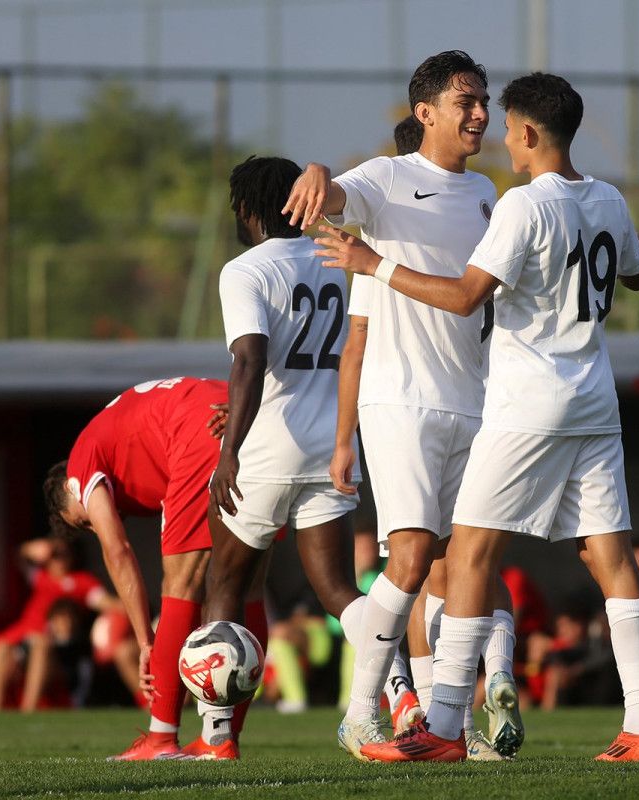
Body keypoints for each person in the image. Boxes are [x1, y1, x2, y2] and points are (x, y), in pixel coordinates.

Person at [315, 70, 639, 762]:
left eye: (505, 123)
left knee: (468, 554)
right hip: (596, 404)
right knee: (612, 557)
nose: (497, 131)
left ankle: (444, 726)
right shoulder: (609, 201)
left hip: (527, 402)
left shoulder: (517, 205)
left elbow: (465, 297)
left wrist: (372, 263)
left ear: (531, 133)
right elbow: (630, 269)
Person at [281, 50, 518, 761]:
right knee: (412, 558)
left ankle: (449, 724)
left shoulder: (489, 197)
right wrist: (318, 175)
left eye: (483, 100)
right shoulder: (386, 177)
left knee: (468, 562)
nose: (480, 113)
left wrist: (628, 242)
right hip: (403, 402)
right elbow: (330, 201)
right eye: (465, 101)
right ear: (426, 113)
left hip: (474, 405)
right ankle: (362, 713)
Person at [198, 155, 366, 760]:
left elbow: (247, 360)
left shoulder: (244, 270)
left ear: (247, 208)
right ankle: (398, 695)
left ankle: (216, 732)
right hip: (332, 444)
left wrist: (228, 453)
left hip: (270, 446)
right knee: (338, 590)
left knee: (226, 579)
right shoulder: (330, 261)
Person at [43, 377, 269, 760]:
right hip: (249, 416)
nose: (93, 524)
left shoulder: (82, 463)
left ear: (70, 487)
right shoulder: (117, 436)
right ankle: (222, 739)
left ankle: (160, 740)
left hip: (197, 433)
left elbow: (118, 552)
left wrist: (144, 639)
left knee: (181, 585)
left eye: (82, 521)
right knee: (248, 588)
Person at [0, 536, 113, 713]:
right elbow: (17, 556)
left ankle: (27, 712)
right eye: (54, 553)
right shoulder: (41, 577)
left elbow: (106, 603)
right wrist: (33, 548)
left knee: (38, 645)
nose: (59, 557)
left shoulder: (82, 581)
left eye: (64, 552)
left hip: (46, 649)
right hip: (12, 641)